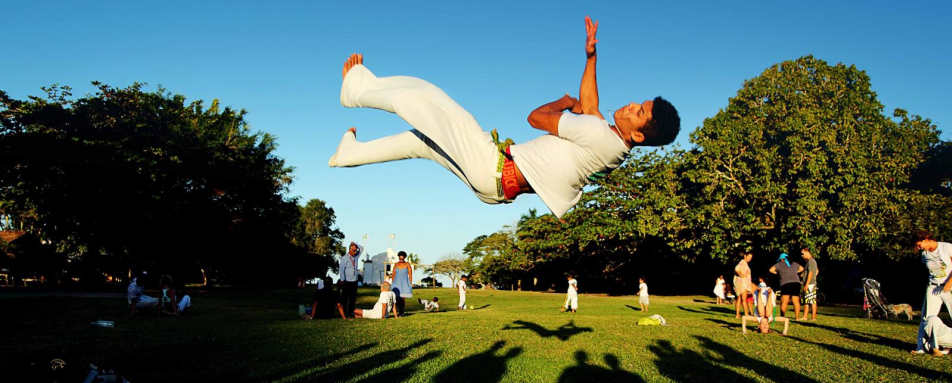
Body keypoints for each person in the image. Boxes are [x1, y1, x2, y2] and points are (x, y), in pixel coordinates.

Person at [329, 16, 680, 218]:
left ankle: (357, 91)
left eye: (640, 112)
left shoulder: (601, 136)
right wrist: (591, 57)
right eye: (641, 102)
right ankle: (350, 155)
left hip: (493, 166)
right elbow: (590, 107)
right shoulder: (612, 147)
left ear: (638, 134)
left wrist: (560, 101)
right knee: (419, 142)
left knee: (430, 100)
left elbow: (536, 118)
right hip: (496, 184)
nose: (633, 105)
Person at [912, 230, 952, 354]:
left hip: (949, 287)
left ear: (926, 239)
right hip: (933, 287)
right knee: (927, 317)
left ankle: (948, 346)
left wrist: (949, 283)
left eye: (919, 245)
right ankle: (921, 347)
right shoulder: (924, 254)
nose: (918, 248)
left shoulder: (947, 247)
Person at [769, 253, 804, 319]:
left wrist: (778, 273)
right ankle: (797, 317)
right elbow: (802, 269)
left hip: (785, 283)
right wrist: (796, 272)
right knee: (796, 301)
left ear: (782, 259)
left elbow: (770, 270)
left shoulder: (779, 264)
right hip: (796, 283)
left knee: (784, 301)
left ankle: (782, 316)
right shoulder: (794, 263)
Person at [339, 242, 362, 317]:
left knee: (353, 299)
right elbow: (341, 270)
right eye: (353, 250)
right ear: (350, 249)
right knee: (345, 299)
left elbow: (362, 248)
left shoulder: (356, 257)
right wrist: (342, 280)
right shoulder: (344, 258)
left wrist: (355, 244)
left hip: (354, 281)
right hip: (347, 281)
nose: (355, 252)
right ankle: (345, 313)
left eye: (356, 250)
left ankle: (351, 313)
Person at [800, 247, 821, 321]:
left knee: (812, 301)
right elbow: (817, 271)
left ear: (807, 252)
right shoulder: (809, 262)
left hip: (810, 284)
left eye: (802, 253)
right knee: (807, 301)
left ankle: (813, 318)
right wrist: (804, 274)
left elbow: (811, 273)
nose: (801, 255)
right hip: (809, 283)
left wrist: (807, 284)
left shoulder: (811, 261)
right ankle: (805, 317)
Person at [391, 251, 414, 315]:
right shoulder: (396, 264)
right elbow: (393, 274)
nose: (401, 259)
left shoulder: (407, 264)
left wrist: (410, 283)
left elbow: (410, 274)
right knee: (397, 298)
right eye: (400, 257)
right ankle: (398, 311)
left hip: (404, 283)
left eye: (402, 258)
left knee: (403, 298)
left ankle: (402, 312)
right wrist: (392, 283)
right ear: (398, 257)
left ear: (404, 257)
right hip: (396, 283)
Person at [734, 252, 754, 318]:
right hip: (743, 284)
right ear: (745, 256)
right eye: (749, 257)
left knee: (739, 298)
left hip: (741, 283)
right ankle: (746, 314)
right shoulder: (742, 263)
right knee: (744, 299)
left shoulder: (744, 263)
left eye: (751, 258)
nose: (749, 258)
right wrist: (741, 275)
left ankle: (737, 314)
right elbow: (736, 269)